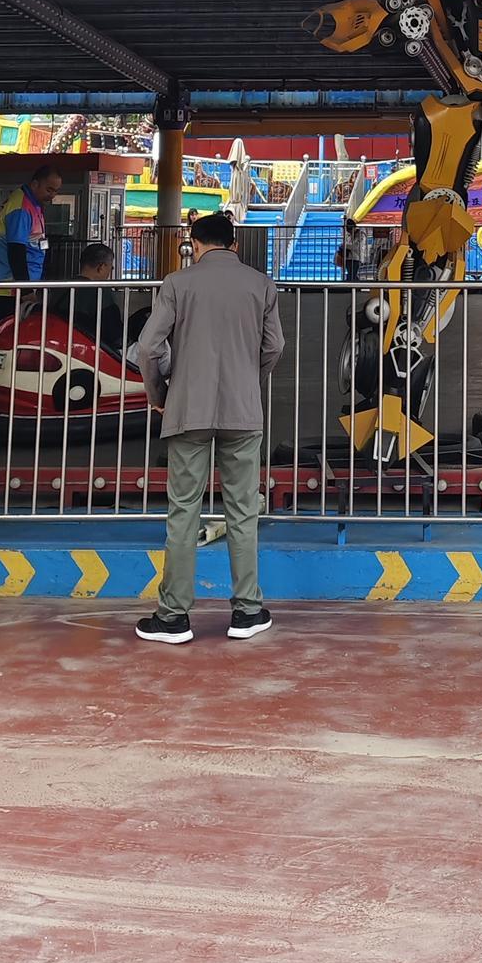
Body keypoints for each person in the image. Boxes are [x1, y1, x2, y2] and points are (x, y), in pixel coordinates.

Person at [133, 211, 284, 645]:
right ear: (234, 245)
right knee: (243, 510)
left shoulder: (177, 283)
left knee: (184, 510)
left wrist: (159, 393)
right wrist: (248, 380)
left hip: (187, 410)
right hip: (243, 411)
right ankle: (247, 611)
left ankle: (173, 617)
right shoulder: (261, 285)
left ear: (194, 245)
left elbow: (148, 347)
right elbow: (275, 346)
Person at [47, 240, 130, 361]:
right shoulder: (101, 291)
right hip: (92, 354)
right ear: (101, 267)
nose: (109, 273)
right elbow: (115, 335)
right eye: (111, 268)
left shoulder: (59, 288)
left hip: (58, 349)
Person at [0, 161, 63, 285]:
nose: (52, 195)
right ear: (35, 184)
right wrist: (25, 289)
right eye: (49, 190)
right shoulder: (21, 207)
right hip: (12, 285)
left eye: (56, 191)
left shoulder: (34, 204)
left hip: (27, 281)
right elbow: (16, 250)